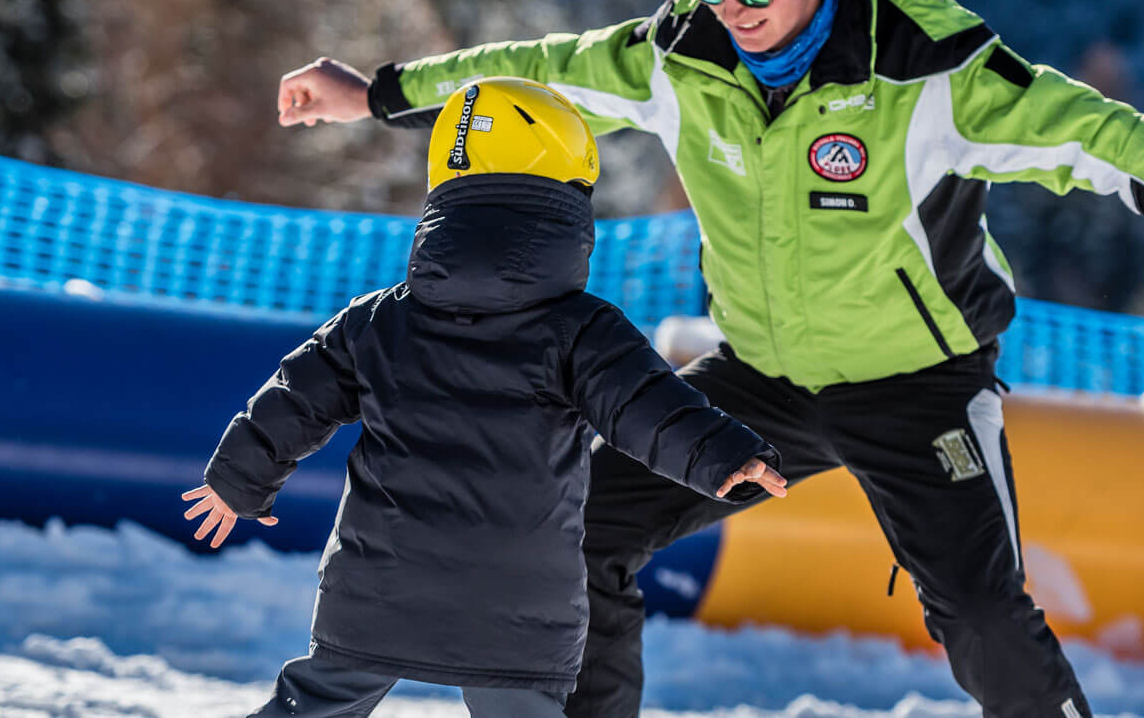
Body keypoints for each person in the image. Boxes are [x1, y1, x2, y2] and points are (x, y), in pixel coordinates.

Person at [272, 0, 1144, 718]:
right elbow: (541, 67)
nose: (731, 16)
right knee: (580, 534)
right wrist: (375, 91)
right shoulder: (681, 55)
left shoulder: (931, 70)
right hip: (759, 379)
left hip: (917, 386)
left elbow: (1110, 142)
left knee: (986, 623)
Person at [181, 77, 788, 718]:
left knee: (319, 702)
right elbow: (650, 405)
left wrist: (238, 480)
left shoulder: (379, 321)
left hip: (380, 590)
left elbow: (294, 397)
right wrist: (724, 456)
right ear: (570, 196)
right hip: (518, 604)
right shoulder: (581, 329)